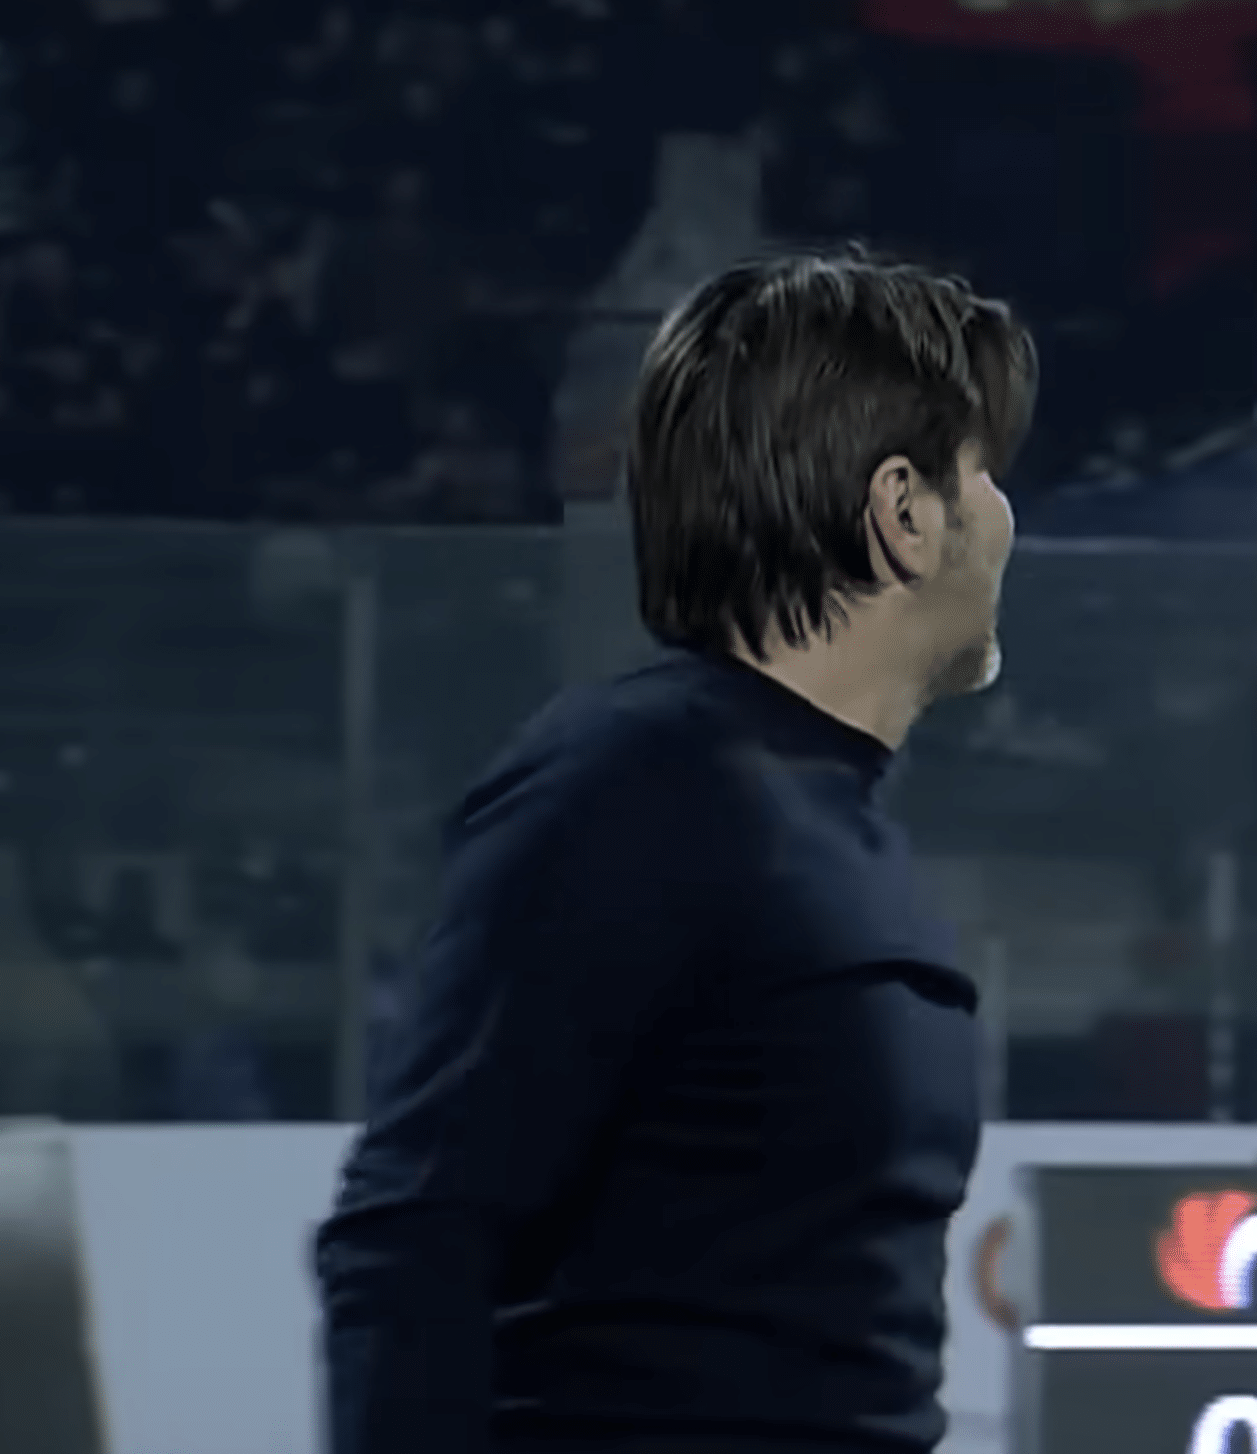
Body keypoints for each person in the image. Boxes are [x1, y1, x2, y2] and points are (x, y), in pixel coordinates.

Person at [315, 249, 1036, 1454]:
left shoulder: (826, 817)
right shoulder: (635, 784)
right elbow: (418, 1231)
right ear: (903, 513)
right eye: (982, 472)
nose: (1006, 517)